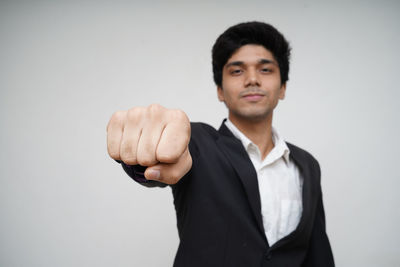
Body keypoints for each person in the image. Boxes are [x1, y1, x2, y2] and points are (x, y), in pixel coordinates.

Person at [107, 21, 335, 267]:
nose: (251, 79)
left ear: (283, 88)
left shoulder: (308, 165)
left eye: (265, 70)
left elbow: (317, 253)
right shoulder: (198, 144)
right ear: (220, 90)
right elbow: (168, 157)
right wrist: (145, 155)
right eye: (237, 71)